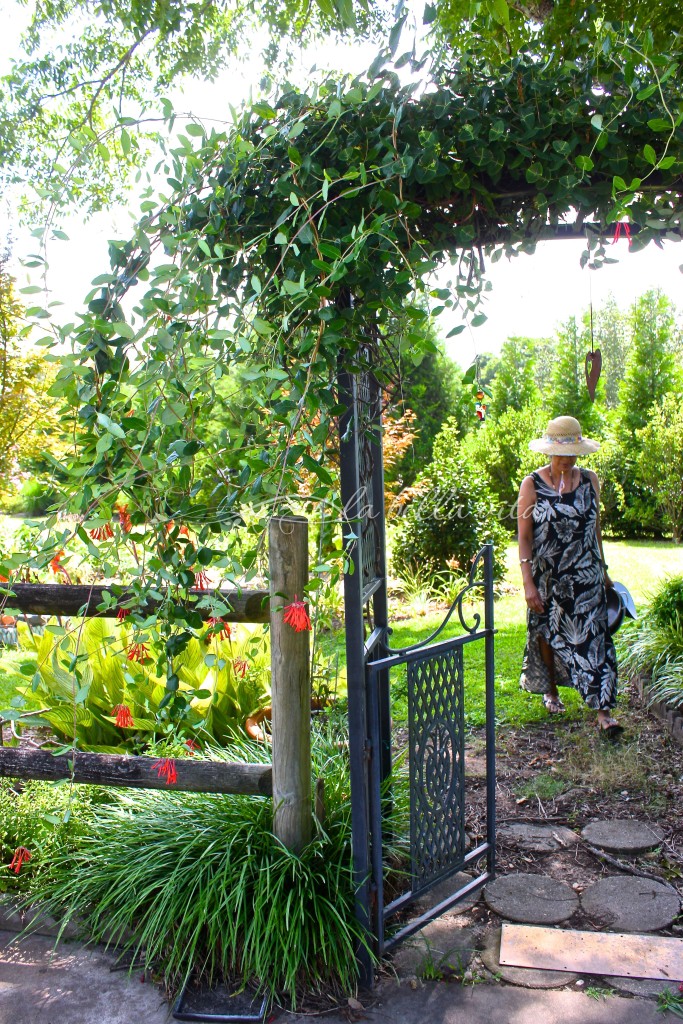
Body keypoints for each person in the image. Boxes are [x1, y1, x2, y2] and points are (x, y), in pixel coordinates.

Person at [517, 415, 622, 738]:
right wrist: (528, 582)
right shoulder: (532, 484)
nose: (566, 459)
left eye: (572, 453)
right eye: (560, 453)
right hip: (549, 579)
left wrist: (603, 570)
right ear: (549, 452)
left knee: (597, 639)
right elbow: (524, 537)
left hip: (587, 576)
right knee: (549, 634)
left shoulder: (590, 479)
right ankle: (552, 690)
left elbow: (595, 529)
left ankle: (603, 713)